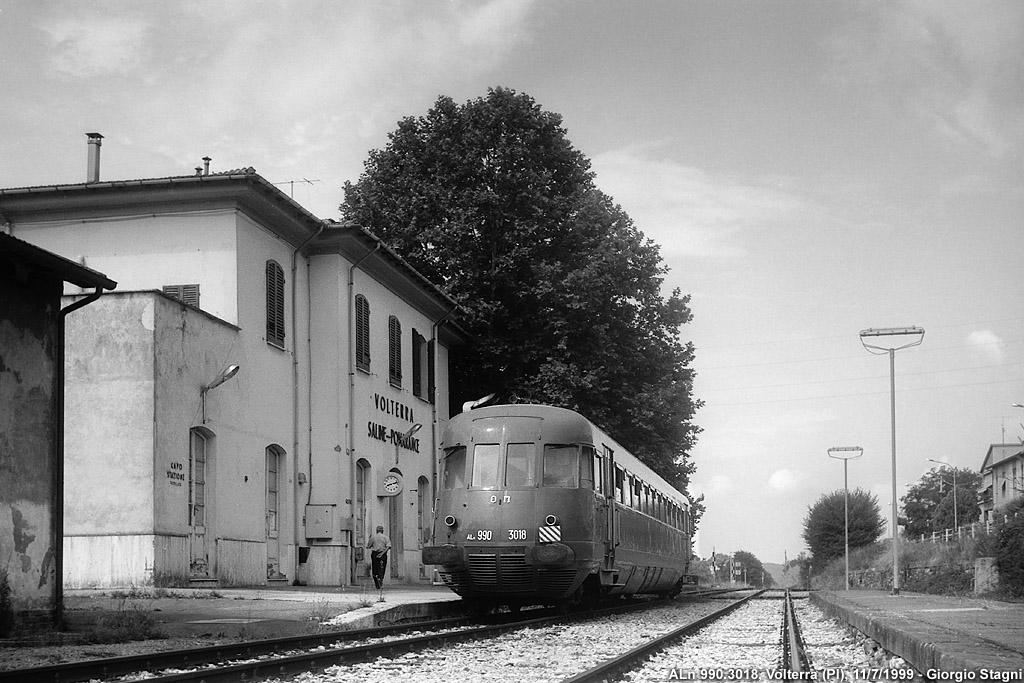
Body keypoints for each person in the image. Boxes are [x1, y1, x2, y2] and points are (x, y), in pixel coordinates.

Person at [366, 525, 392, 600]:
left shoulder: (373, 537)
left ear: (376, 530)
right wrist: (382, 553)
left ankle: (377, 583)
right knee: (382, 568)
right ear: (383, 531)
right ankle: (381, 579)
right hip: (383, 554)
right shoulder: (386, 537)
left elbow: (368, 546)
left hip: (375, 554)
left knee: (375, 568)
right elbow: (388, 546)